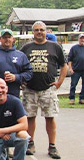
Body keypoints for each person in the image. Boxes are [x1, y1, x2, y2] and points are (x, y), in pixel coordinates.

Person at [20, 21, 67, 159]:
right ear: (32, 32)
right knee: (29, 117)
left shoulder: (55, 47)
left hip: (48, 88)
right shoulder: (26, 47)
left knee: (50, 117)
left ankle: (52, 146)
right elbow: (19, 64)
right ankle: (30, 143)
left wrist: (59, 82)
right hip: (30, 88)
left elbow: (64, 66)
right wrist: (21, 80)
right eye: (36, 30)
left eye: (41, 30)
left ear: (46, 31)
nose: (39, 32)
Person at [0, 78, 30, 160]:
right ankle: (3, 155)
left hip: (11, 135)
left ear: (6, 89)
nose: (0, 90)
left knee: (23, 135)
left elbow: (24, 125)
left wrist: (3, 131)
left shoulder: (15, 102)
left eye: (2, 87)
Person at [0, 29, 33, 98]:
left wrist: (16, 77)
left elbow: (29, 73)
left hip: (14, 93)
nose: (7, 39)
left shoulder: (21, 55)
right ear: (0, 39)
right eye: (4, 37)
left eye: (9, 37)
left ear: (13, 39)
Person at [67, 33, 84, 104]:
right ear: (78, 39)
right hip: (75, 70)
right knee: (73, 84)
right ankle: (72, 98)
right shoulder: (74, 48)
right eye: (81, 38)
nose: (82, 40)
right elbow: (69, 59)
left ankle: (82, 98)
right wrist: (70, 68)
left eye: (83, 38)